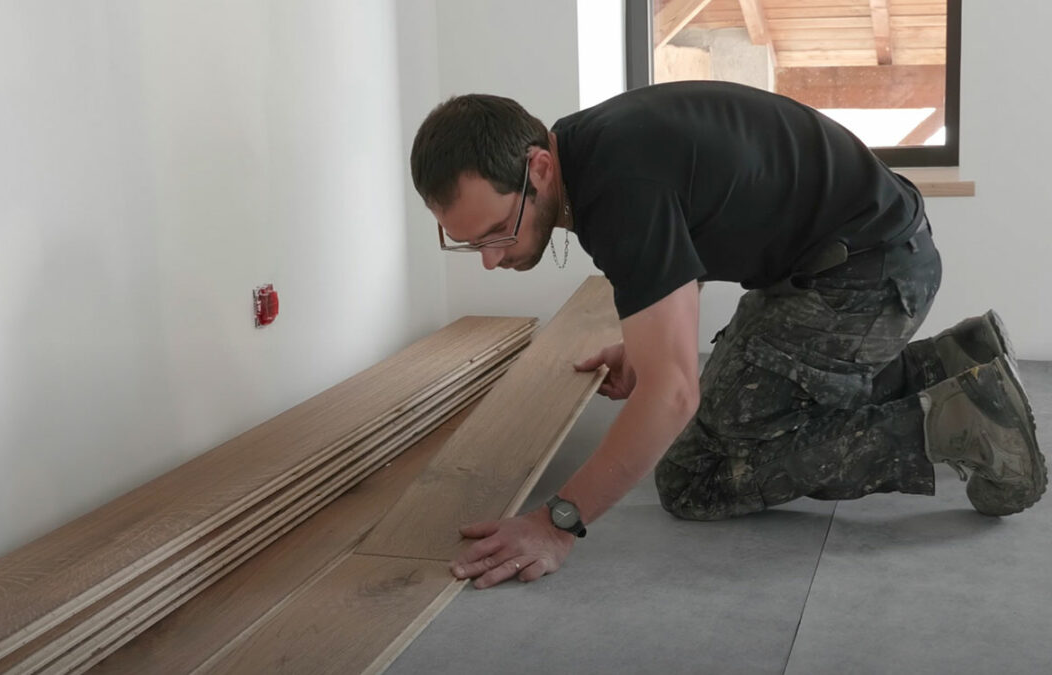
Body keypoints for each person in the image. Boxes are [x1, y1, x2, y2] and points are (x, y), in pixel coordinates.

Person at [408, 81, 1046, 590]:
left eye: (496, 231)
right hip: (853, 252)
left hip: (865, 274)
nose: (491, 258)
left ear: (538, 167)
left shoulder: (617, 187)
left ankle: (965, 424)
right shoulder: (591, 149)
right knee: (717, 415)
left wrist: (556, 523)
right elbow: (687, 237)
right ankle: (956, 363)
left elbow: (672, 396)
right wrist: (649, 343)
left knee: (696, 476)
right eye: (469, 246)